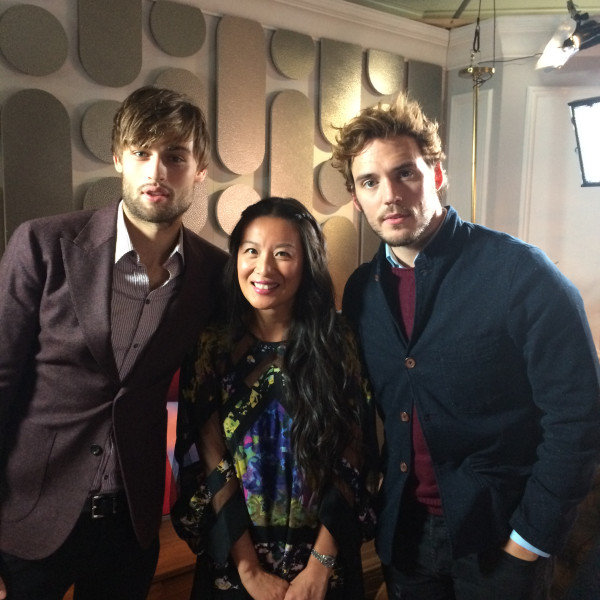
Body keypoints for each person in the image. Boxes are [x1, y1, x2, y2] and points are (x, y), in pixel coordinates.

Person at [331, 93, 600, 599]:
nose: (390, 195)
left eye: (405, 173)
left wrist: (529, 541)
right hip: (404, 538)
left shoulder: (521, 273)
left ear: (436, 174)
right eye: (370, 181)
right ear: (356, 197)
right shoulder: (362, 290)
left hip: (502, 540)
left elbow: (579, 418)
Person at [0, 86, 227, 600]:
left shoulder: (214, 274)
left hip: (131, 525)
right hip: (29, 518)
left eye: (175, 156)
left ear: (200, 168)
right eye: (141, 152)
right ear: (118, 158)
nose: (157, 171)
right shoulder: (43, 245)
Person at [171, 197, 377, 600]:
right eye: (251, 251)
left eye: (283, 254)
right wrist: (249, 569)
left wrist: (319, 566)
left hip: (325, 568)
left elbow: (353, 455)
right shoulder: (212, 345)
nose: (263, 268)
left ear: (307, 263)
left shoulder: (338, 341)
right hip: (234, 565)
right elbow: (208, 459)